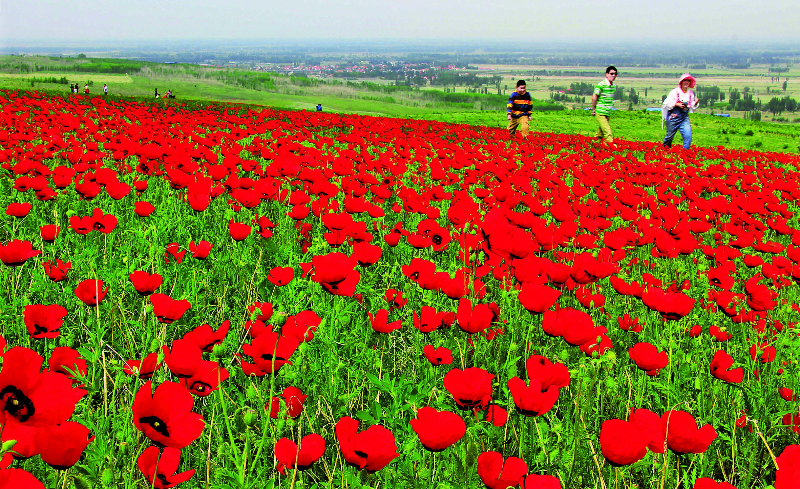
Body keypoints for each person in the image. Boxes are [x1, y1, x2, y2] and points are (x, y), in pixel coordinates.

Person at [662, 73, 700, 149]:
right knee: (669, 136)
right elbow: (666, 104)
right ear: (681, 82)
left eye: (688, 81)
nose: (686, 82)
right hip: (673, 117)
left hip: (684, 117)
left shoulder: (691, 94)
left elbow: (691, 106)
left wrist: (695, 103)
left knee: (688, 136)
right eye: (685, 80)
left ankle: (685, 153)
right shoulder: (675, 92)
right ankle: (664, 150)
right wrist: (676, 104)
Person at [591, 66, 617, 143]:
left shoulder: (613, 86)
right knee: (607, 132)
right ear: (607, 74)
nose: (613, 75)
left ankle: (593, 144)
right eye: (611, 73)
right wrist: (594, 109)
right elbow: (594, 96)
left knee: (600, 133)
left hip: (607, 112)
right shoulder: (601, 84)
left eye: (615, 74)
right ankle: (612, 147)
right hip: (600, 112)